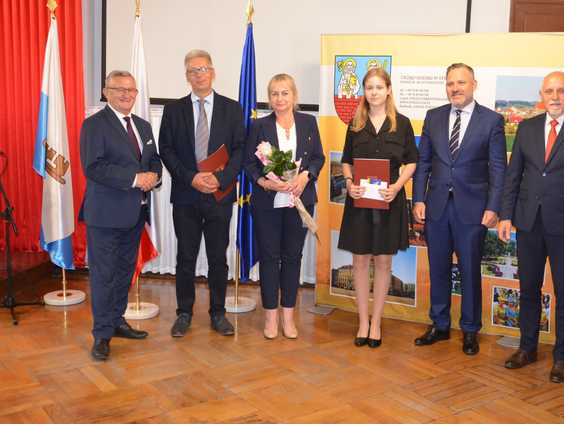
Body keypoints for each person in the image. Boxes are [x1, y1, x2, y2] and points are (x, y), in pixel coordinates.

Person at [499, 71, 564, 383]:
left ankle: (561, 358)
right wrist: (506, 215)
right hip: (528, 223)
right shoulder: (527, 128)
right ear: (541, 94)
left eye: (561, 91)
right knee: (528, 289)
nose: (555, 97)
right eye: (549, 91)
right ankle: (527, 348)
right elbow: (513, 175)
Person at [412, 63, 507, 355]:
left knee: (469, 272)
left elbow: (498, 168)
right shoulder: (433, 117)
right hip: (437, 207)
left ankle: (469, 330)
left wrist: (494, 207)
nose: (455, 88)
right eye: (451, 83)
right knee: (438, 269)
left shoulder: (491, 121)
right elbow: (424, 162)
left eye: (461, 82)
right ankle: (440, 325)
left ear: (474, 84)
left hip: (473, 211)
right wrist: (418, 199)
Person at [158, 49, 245, 337]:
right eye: (193, 70)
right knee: (186, 257)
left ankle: (218, 313)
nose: (199, 74)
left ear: (213, 72)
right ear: (187, 77)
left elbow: (240, 151)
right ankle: (184, 313)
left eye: (204, 68)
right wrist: (192, 178)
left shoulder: (232, 109)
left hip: (219, 196)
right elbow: (166, 151)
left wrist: (220, 179)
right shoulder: (173, 110)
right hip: (186, 195)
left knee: (218, 258)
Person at [79, 70, 162, 361]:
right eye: (119, 89)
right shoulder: (94, 125)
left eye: (131, 90)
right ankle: (101, 335)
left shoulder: (141, 125)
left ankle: (116, 321)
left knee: (125, 271)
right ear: (106, 92)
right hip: (105, 215)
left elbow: (154, 160)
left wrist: (154, 176)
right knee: (104, 275)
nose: (126, 94)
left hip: (135, 213)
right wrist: (135, 179)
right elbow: (93, 167)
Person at [338, 67, 417, 348]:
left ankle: (376, 322)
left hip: (389, 201)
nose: (373, 92)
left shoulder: (403, 124)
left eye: (379, 87)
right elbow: (347, 159)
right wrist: (348, 182)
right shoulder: (354, 124)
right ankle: (362, 321)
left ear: (388, 90)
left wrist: (397, 187)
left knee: (384, 262)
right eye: (369, 88)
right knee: (359, 261)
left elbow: (412, 162)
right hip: (359, 202)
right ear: (365, 92)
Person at [244, 74, 325, 339]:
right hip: (268, 202)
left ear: (294, 95)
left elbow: (318, 158)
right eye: (274, 94)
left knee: (292, 257)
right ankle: (270, 317)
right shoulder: (259, 125)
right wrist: (266, 183)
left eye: (284, 93)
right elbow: (249, 164)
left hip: (299, 201)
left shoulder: (308, 122)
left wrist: (305, 176)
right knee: (269, 258)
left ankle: (288, 317)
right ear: (270, 98)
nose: (280, 98)